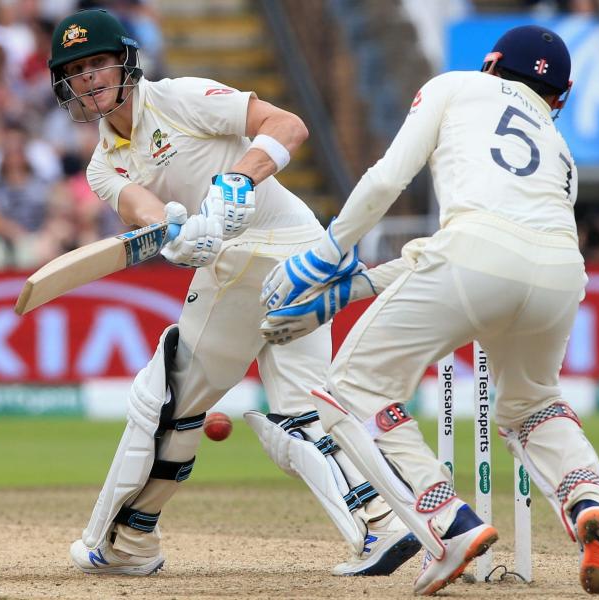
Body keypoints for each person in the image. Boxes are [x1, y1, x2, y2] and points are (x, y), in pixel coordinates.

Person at [47, 8, 420, 578]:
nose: (91, 78)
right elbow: (143, 211)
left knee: (168, 399)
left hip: (273, 251)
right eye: (77, 70)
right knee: (305, 410)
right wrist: (175, 233)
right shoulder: (103, 165)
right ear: (65, 85)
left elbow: (288, 124)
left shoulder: (179, 97)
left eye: (98, 63)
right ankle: (386, 526)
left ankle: (126, 543)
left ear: (124, 62)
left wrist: (237, 179)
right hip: (285, 259)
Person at [261, 25, 599, 595]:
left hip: (472, 256)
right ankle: (588, 502)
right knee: (533, 403)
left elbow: (387, 182)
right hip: (560, 273)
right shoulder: (562, 154)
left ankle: (448, 519)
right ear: (562, 94)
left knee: (350, 388)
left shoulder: (455, 85)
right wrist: (346, 292)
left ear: (491, 63)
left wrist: (325, 255)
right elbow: (466, 251)